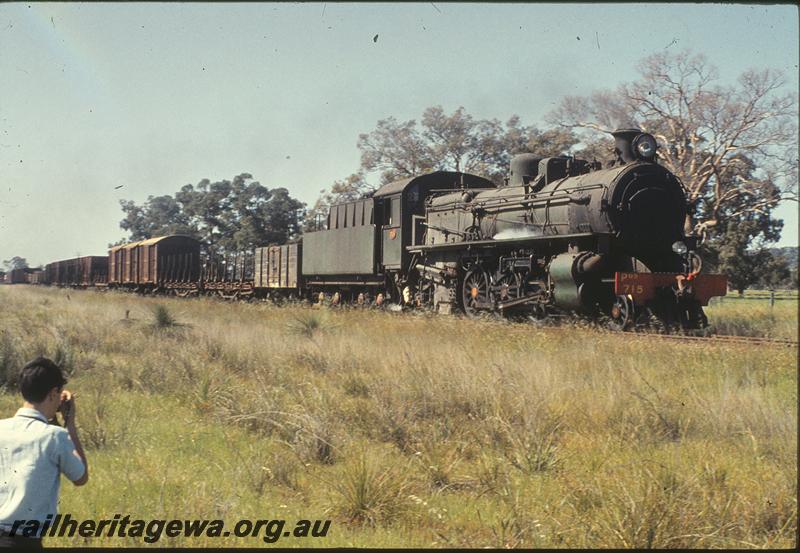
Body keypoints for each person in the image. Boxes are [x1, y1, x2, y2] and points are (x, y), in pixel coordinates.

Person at [0, 357, 88, 549]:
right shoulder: (55, 436)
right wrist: (70, 424)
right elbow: (80, 477)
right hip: (24, 543)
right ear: (53, 393)